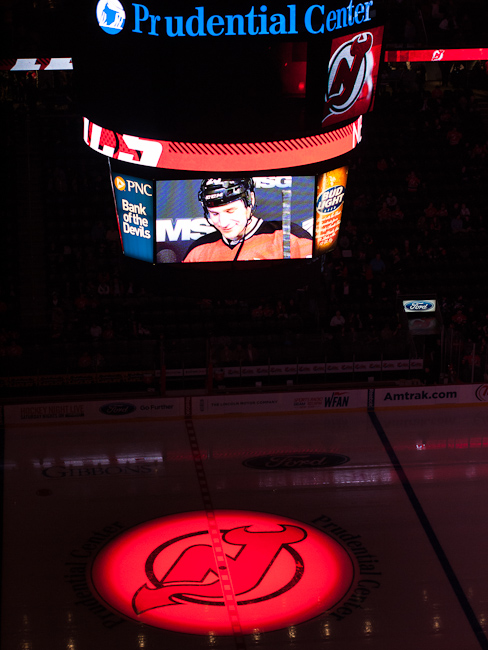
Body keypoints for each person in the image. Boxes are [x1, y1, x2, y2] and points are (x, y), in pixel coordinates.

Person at [183, 178, 312, 262]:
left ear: (250, 201)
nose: (223, 223)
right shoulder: (198, 250)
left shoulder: (289, 238)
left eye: (230, 211)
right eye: (214, 214)